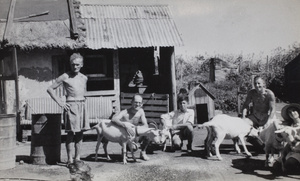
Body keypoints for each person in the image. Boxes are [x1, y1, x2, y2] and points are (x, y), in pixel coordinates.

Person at [47, 53, 90, 166]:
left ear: (82, 65)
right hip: (71, 106)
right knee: (71, 133)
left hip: (82, 105)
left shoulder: (84, 78)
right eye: (73, 65)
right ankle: (70, 159)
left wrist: (83, 103)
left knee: (80, 133)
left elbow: (82, 92)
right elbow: (50, 89)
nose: (75, 67)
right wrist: (60, 102)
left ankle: (77, 158)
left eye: (77, 65)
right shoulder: (65, 76)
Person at [111, 94, 150, 161]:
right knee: (134, 148)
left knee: (148, 134)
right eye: (135, 102)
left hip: (135, 133)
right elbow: (114, 119)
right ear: (131, 102)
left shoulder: (141, 111)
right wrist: (124, 125)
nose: (137, 104)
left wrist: (137, 130)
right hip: (126, 135)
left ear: (142, 104)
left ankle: (143, 152)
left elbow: (145, 125)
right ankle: (124, 152)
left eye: (139, 103)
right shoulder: (125, 112)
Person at [242, 75, 276, 148]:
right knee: (244, 124)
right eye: (255, 84)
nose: (257, 86)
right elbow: (245, 105)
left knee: (273, 128)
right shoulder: (251, 93)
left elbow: (272, 109)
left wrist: (268, 121)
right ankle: (256, 142)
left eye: (259, 83)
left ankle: (270, 144)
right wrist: (243, 117)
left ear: (263, 83)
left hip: (266, 116)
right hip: (255, 115)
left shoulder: (269, 94)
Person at [273, 104, 300, 174]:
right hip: (292, 149)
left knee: (290, 164)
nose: (292, 113)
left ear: (298, 112)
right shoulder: (289, 125)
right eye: (289, 112)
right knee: (276, 166)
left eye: (294, 111)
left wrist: (298, 138)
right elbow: (276, 122)